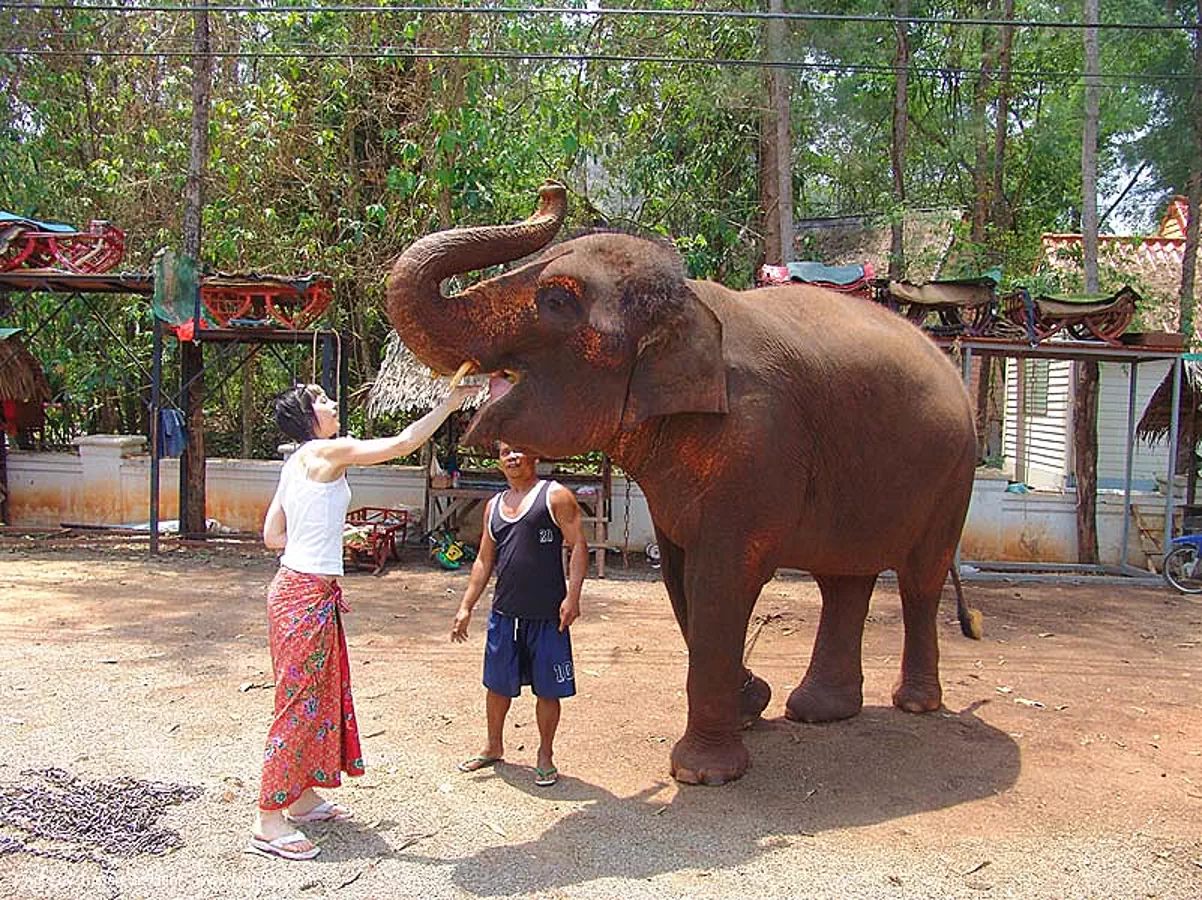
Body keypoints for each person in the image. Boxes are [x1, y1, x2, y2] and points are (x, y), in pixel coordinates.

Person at [250, 381, 480, 861]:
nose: (333, 404)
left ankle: (301, 796)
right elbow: (400, 444)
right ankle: (268, 821)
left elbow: (273, 535)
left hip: (298, 590)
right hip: (306, 595)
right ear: (309, 416)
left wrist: (323, 532)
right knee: (297, 704)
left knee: (316, 697)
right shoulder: (327, 451)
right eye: (322, 400)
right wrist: (449, 404)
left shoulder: (295, 462)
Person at [450, 442, 588, 787]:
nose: (511, 457)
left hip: (547, 615)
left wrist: (572, 596)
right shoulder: (494, 506)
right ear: (498, 461)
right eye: (504, 452)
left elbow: (578, 546)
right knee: (496, 685)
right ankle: (493, 746)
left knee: (548, 690)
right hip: (505, 613)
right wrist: (466, 606)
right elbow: (484, 559)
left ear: (535, 455)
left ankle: (545, 755)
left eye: (519, 450)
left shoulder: (555, 497)